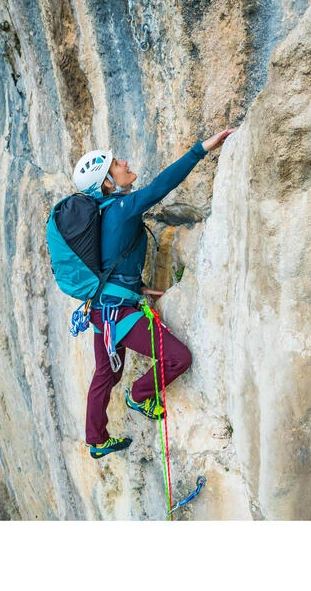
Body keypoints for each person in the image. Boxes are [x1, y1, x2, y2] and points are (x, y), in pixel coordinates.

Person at [73, 128, 236, 459]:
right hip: (118, 313)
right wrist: (202, 148)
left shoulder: (106, 212)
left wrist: (140, 289)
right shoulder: (122, 207)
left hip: (103, 311)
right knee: (178, 358)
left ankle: (96, 440)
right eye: (116, 163)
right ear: (107, 182)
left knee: (106, 373)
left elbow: (111, 262)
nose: (125, 162)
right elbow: (163, 185)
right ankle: (139, 394)